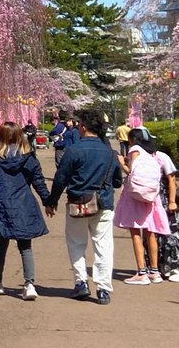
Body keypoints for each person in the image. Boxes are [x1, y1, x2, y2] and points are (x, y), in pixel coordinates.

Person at [44, 109, 123, 305]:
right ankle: (103, 288)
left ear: (84, 127)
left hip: (78, 202)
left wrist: (52, 201)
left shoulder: (74, 150)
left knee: (76, 243)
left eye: (80, 124)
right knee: (103, 246)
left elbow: (61, 178)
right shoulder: (110, 153)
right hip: (103, 203)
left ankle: (81, 282)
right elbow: (117, 182)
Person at [0, 121, 50, 300]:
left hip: (1, 204)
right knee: (25, 246)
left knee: (0, 245)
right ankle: (29, 285)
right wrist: (48, 201)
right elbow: (38, 181)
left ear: (1, 137)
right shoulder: (28, 157)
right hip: (23, 204)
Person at [114, 127, 175, 285]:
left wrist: (121, 162)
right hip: (151, 196)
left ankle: (141, 272)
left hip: (135, 196)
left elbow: (130, 171)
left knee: (136, 232)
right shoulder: (152, 153)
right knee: (150, 232)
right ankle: (154, 272)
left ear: (132, 139)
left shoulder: (134, 149)